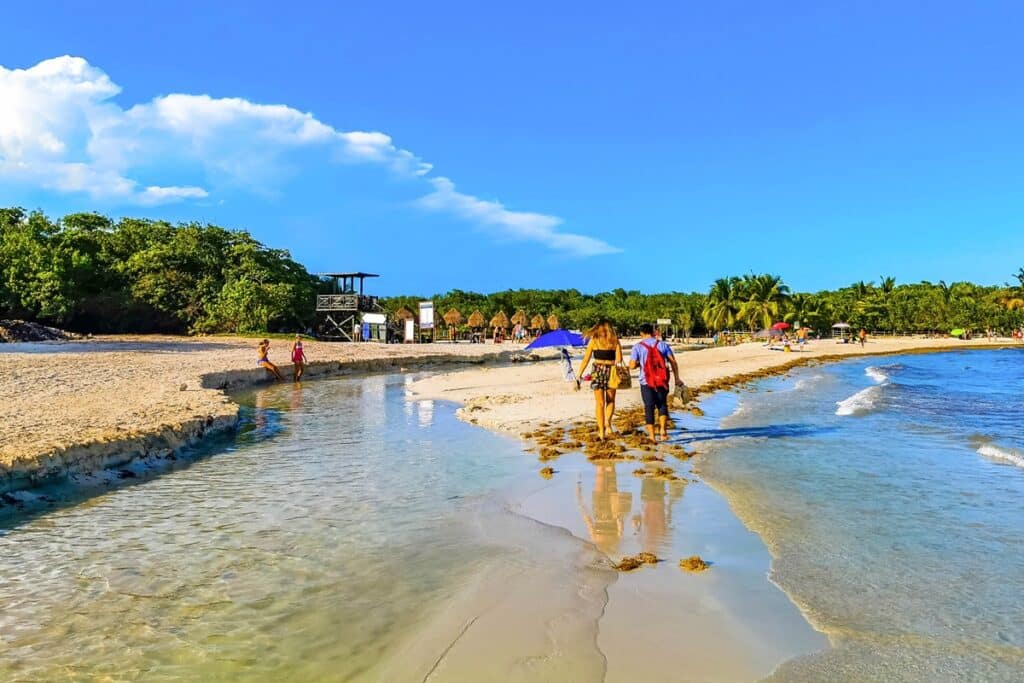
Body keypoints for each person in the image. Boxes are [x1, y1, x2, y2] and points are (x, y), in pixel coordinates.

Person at [629, 323, 682, 441]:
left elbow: (631, 366)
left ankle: (652, 437)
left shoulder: (637, 347)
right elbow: (673, 362)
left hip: (646, 382)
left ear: (641, 333)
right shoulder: (663, 345)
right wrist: (677, 378)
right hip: (662, 380)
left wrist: (640, 363)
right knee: (662, 404)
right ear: (653, 332)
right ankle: (663, 430)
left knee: (649, 407)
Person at [575, 320, 623, 440]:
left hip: (597, 371)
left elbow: (586, 359)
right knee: (610, 400)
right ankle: (608, 423)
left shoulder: (594, 341)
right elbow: (619, 359)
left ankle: (601, 432)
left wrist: (579, 375)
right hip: (611, 370)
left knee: (599, 403)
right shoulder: (615, 341)